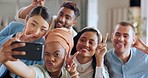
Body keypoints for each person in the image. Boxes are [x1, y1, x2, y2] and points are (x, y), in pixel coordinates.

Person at [0, 28, 79, 78]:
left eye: (56, 54)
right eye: (47, 54)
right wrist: (5, 58)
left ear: (66, 55)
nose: (50, 59)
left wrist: (74, 74)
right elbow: (26, 71)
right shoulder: (40, 72)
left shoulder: (69, 74)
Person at [0, 6, 51, 78]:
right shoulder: (14, 26)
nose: (36, 32)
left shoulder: (43, 45)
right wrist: (13, 38)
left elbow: (38, 70)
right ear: (26, 20)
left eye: (42, 30)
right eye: (33, 24)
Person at [15, 0, 80, 37]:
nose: (61, 19)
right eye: (60, 14)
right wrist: (33, 7)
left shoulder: (74, 36)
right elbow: (20, 17)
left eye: (67, 18)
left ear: (74, 22)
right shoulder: (49, 20)